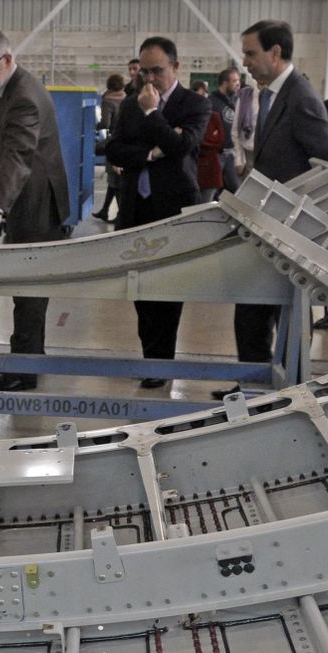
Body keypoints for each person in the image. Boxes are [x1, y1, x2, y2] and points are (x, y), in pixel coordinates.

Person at [220, 19, 328, 396]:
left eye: (251, 53)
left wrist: (300, 214)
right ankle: (253, 386)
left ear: (276, 53)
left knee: (282, 314)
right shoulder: (270, 95)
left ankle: (283, 391)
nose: (245, 62)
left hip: (288, 229)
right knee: (252, 311)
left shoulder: (301, 97)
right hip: (263, 224)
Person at [105, 36, 209, 389]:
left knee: (169, 289)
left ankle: (161, 361)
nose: (149, 79)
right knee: (140, 290)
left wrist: (152, 115)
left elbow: (181, 147)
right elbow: (114, 151)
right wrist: (150, 153)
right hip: (136, 207)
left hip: (173, 209)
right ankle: (152, 357)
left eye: (157, 71)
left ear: (175, 67)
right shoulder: (130, 104)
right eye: (144, 71)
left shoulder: (193, 103)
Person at [0, 28, 71, 392]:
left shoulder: (24, 96)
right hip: (33, 201)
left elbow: (21, 155)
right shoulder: (12, 88)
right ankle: (24, 365)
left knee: (29, 294)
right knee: (26, 292)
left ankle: (23, 372)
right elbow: (13, 148)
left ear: (8, 59)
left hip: (37, 207)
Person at [92, 72, 127, 222]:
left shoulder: (108, 99)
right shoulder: (126, 96)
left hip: (115, 140)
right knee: (115, 181)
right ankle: (105, 210)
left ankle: (120, 216)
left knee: (114, 178)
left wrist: (94, 125)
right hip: (126, 140)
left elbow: (105, 123)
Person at [209, 67, 242, 193]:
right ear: (225, 83)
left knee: (236, 188)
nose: (238, 84)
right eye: (234, 81)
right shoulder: (211, 102)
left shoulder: (236, 100)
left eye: (238, 81)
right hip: (217, 153)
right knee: (213, 189)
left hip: (233, 152)